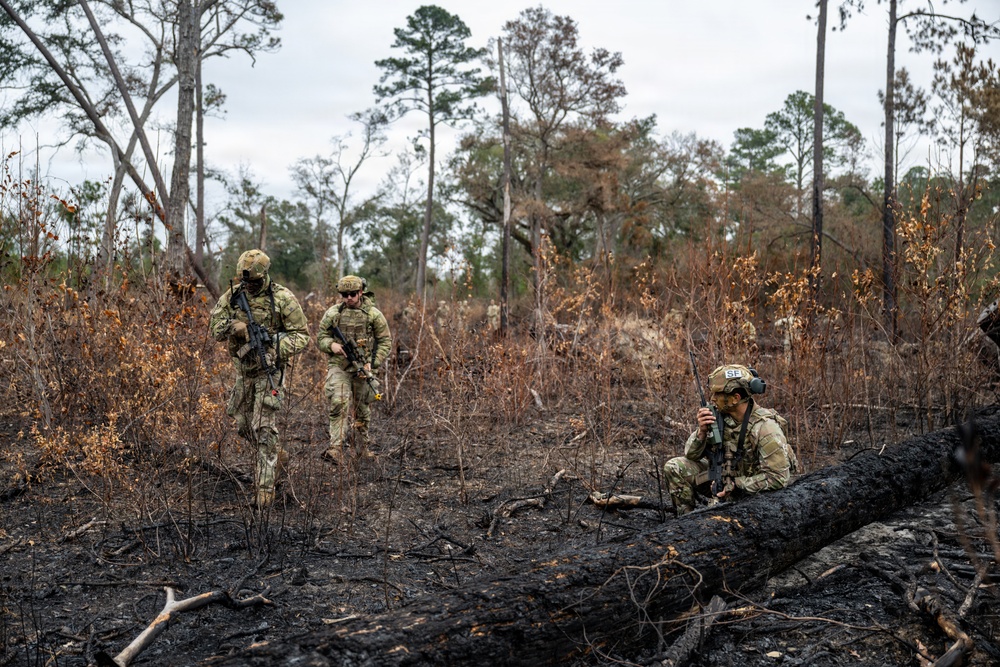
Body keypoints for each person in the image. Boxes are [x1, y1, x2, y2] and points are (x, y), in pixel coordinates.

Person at [209, 249, 310, 508]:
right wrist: (235, 327)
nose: (249, 286)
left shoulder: (282, 299)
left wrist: (275, 345)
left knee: (264, 429)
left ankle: (265, 491)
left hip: (270, 370)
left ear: (264, 276)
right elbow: (214, 328)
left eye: (253, 282)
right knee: (242, 424)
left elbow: (302, 335)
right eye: (246, 282)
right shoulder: (233, 296)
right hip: (244, 371)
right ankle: (276, 455)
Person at [664, 364, 797, 515]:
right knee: (675, 466)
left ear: (735, 398)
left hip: (754, 491)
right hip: (723, 478)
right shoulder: (719, 416)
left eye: (717, 394)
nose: (712, 398)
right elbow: (691, 455)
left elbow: (778, 478)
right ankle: (686, 521)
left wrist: (736, 484)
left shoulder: (766, 428)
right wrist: (701, 432)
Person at [317, 275, 392, 463]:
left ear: (360, 292)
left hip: (362, 368)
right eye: (344, 294)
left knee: (362, 409)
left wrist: (372, 363)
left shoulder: (373, 314)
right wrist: (331, 346)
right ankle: (335, 448)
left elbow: (385, 341)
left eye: (352, 294)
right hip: (339, 366)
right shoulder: (334, 313)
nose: (348, 298)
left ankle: (362, 449)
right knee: (339, 402)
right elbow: (321, 336)